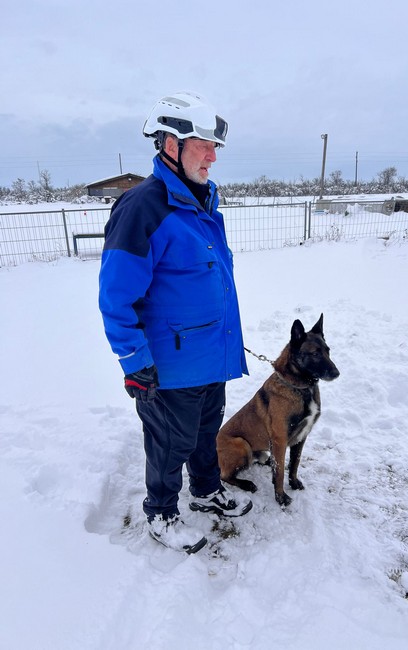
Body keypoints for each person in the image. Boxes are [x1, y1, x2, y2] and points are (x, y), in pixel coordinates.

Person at [99, 91, 252, 554]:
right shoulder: (144, 207)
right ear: (170, 144)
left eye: (214, 147)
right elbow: (116, 296)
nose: (212, 157)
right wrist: (133, 360)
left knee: (206, 434)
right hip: (168, 366)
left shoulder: (202, 203)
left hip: (208, 355)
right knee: (169, 443)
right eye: (202, 145)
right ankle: (161, 513)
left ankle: (205, 491)